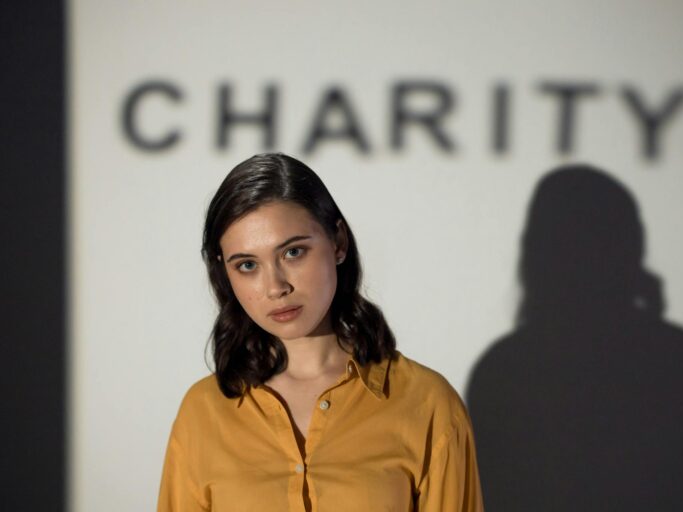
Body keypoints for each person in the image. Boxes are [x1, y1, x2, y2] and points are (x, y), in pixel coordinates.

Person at [157, 153, 483, 511]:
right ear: (225, 272)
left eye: (294, 252)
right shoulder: (202, 412)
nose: (275, 286)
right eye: (248, 265)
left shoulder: (427, 404)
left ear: (338, 242)